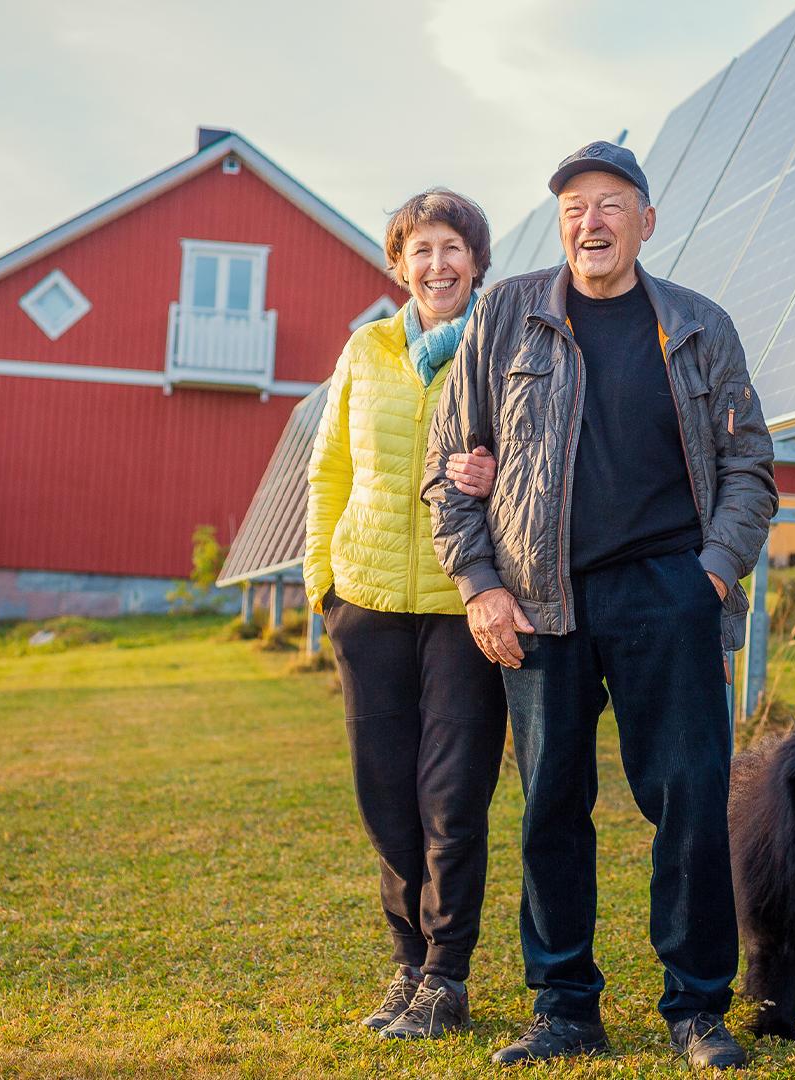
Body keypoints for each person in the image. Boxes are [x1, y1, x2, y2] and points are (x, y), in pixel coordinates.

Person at [423, 142, 777, 1069]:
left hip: (670, 593)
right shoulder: (506, 315)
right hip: (541, 602)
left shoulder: (699, 326)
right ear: (560, 224)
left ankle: (698, 1007)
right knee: (552, 806)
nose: (592, 222)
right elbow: (447, 470)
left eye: (612, 204)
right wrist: (482, 587)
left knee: (693, 800)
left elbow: (751, 467)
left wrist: (712, 571)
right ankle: (565, 1008)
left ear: (646, 223)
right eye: (576, 206)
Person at [304, 188, 506, 1041]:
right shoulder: (366, 349)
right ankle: (408, 965)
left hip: (467, 609)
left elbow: (542, 462)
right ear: (399, 263)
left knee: (452, 801)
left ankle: (447, 978)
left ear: (477, 262)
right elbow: (328, 472)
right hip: (369, 604)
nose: (437, 265)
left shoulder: (507, 349)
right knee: (385, 796)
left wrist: (501, 478)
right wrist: (325, 589)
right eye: (420, 250)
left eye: (452, 248)